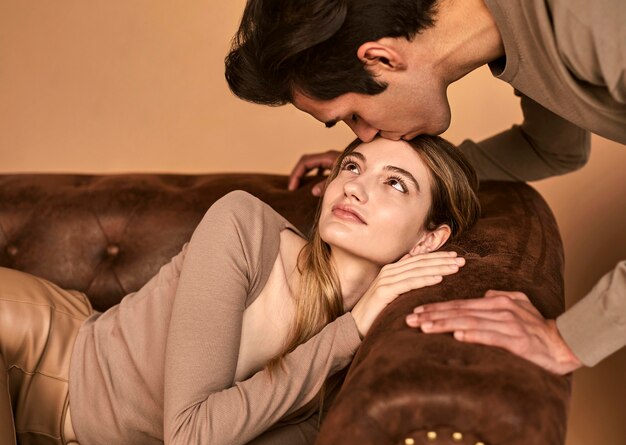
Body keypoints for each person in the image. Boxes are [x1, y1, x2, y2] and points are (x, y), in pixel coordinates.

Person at [224, 0, 626, 375]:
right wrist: (396, 173)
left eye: (353, 115)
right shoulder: (523, 36)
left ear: (381, 59)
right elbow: (554, 149)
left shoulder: (584, 15)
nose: (364, 136)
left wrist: (569, 340)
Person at [0, 135, 480, 445]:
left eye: (395, 183)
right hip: (37, 349)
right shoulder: (243, 225)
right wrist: (348, 331)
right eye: (352, 167)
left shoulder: (366, 349)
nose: (355, 188)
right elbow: (191, 437)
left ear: (428, 239)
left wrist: (350, 333)